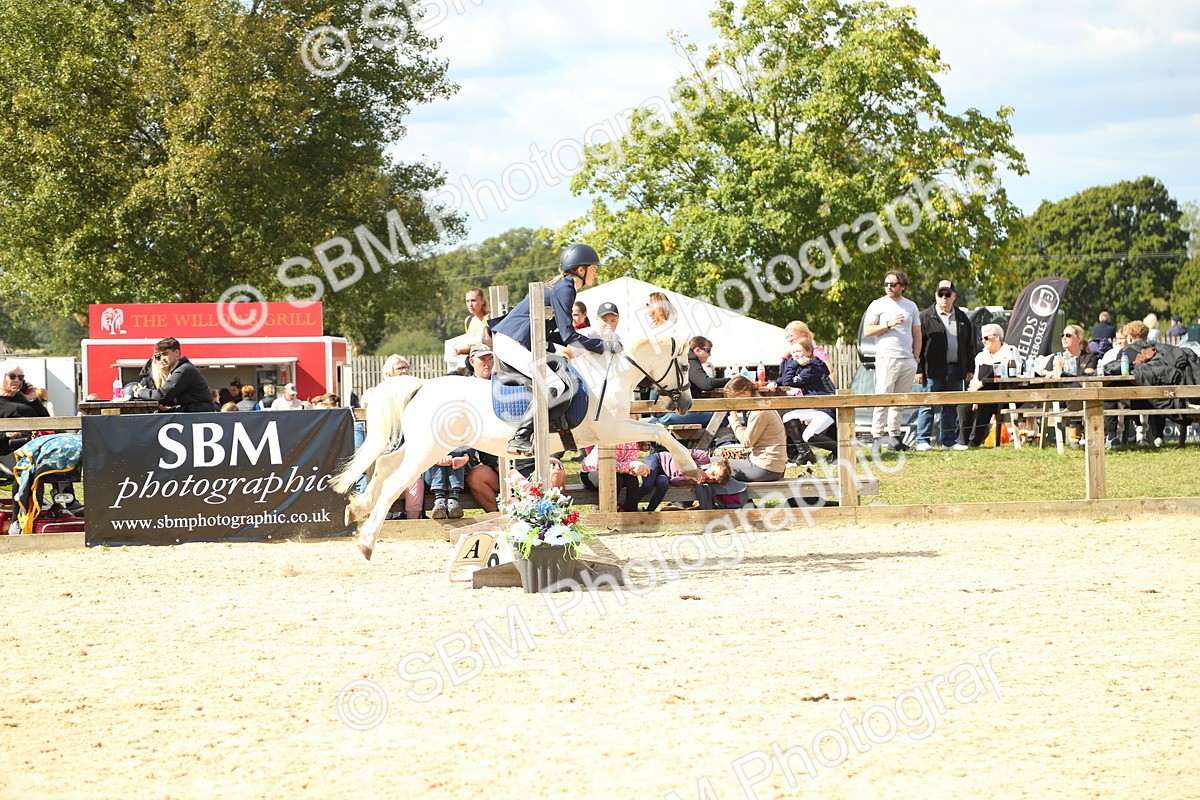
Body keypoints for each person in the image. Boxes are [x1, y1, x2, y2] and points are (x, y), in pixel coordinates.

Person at [490, 243, 616, 455]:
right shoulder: (566, 289)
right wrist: (602, 346)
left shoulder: (564, 287)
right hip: (512, 342)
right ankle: (520, 437)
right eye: (593, 268)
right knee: (554, 384)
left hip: (517, 340)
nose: (596, 273)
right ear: (581, 270)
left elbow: (557, 334)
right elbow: (568, 336)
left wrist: (591, 345)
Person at [914, 280, 976, 451]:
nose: (944, 298)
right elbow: (918, 345)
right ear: (936, 296)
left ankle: (948, 441)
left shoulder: (962, 317)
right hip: (932, 370)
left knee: (951, 406)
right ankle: (922, 440)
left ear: (954, 296)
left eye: (948, 294)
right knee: (928, 404)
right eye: (940, 294)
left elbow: (969, 345)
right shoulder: (925, 316)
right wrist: (919, 369)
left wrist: (970, 368)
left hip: (956, 369)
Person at [864, 270, 921, 452]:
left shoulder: (910, 306)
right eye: (886, 284)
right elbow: (868, 331)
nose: (889, 287)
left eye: (893, 284)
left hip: (907, 359)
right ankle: (877, 439)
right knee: (882, 398)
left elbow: (917, 333)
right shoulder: (877, 304)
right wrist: (888, 324)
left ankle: (895, 438)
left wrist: (916, 357)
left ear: (902, 287)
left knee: (899, 400)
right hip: (887, 357)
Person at [777, 338, 839, 464]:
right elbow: (784, 379)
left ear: (809, 352)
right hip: (816, 407)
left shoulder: (812, 368)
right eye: (793, 352)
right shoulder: (804, 366)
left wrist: (794, 364)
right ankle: (805, 454)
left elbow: (788, 382)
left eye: (798, 351)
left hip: (828, 407)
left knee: (809, 435)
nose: (795, 355)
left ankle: (841, 450)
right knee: (788, 416)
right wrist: (773, 383)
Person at [963, 323, 1021, 447]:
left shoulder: (1010, 351)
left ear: (997, 337)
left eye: (986, 338)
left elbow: (1010, 372)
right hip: (982, 394)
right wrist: (973, 397)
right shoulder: (980, 356)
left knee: (985, 405)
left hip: (1006, 395)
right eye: (981, 338)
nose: (983, 341)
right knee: (963, 406)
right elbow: (975, 379)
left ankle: (974, 441)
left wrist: (982, 384)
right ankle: (962, 441)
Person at [721, 376, 787, 483]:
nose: (733, 404)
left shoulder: (759, 411)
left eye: (733, 400)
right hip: (771, 466)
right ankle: (744, 500)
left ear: (746, 393)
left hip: (765, 468)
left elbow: (746, 442)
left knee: (714, 463)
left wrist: (733, 416)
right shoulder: (761, 405)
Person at [657, 336, 729, 428]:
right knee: (722, 416)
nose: (709, 354)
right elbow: (706, 384)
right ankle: (724, 442)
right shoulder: (689, 360)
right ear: (698, 350)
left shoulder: (685, 359)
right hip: (669, 414)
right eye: (708, 350)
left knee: (715, 413)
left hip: (666, 412)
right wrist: (730, 380)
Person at [1047, 324, 1100, 448]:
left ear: (1079, 338)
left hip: (1079, 395)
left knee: (1076, 389)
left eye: (1068, 335)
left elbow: (1088, 376)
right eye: (1062, 335)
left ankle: (1074, 437)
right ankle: (1073, 437)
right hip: (1059, 395)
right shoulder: (1056, 357)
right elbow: (1047, 372)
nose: (1064, 338)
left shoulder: (1088, 357)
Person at [132, 338, 216, 412]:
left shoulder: (184, 370)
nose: (162, 359)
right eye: (158, 357)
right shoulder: (178, 370)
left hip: (202, 417)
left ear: (176, 352)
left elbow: (162, 396)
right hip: (194, 416)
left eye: (165, 354)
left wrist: (140, 391)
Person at [579, 441, 648, 512]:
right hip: (590, 474)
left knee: (632, 479)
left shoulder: (635, 443)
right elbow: (606, 464)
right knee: (615, 478)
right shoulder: (610, 439)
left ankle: (630, 509)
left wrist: (635, 468)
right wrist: (631, 465)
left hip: (615, 472)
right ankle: (607, 509)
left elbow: (628, 463)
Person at [638, 448, 710, 512]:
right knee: (648, 485)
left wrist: (688, 477)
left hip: (664, 474)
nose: (704, 478)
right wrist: (693, 469)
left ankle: (648, 512)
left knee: (663, 484)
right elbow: (685, 452)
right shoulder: (703, 458)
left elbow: (674, 481)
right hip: (658, 459)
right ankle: (630, 506)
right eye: (711, 475)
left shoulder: (694, 480)